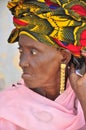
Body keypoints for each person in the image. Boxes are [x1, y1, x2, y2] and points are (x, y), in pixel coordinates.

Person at [0, 0, 86, 129]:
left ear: (64, 57)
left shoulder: (81, 96)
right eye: (21, 51)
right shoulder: (6, 111)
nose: (22, 62)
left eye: (33, 52)